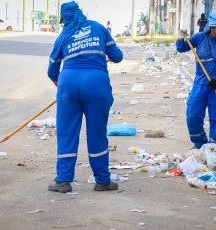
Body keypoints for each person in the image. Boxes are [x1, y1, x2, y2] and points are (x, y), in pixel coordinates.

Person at [47, 2, 123, 193]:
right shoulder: (99, 28)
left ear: (64, 19)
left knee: (66, 132)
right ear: (81, 13)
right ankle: (103, 181)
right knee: (97, 132)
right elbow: (118, 56)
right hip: (97, 84)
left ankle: (63, 181)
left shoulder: (63, 36)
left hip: (68, 85)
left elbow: (52, 70)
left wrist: (60, 85)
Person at [176, 10, 216, 149]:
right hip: (201, 84)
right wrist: (180, 39)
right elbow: (182, 48)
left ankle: (212, 146)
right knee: (193, 113)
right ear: (209, 26)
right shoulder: (200, 37)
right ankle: (199, 143)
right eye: (214, 27)